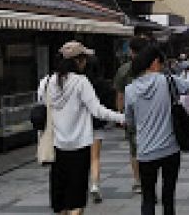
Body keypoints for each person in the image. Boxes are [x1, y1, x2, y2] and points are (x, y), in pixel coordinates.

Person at [38, 41, 125, 215]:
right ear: (79, 61)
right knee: (76, 198)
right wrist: (122, 117)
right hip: (79, 146)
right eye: (84, 58)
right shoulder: (81, 82)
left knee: (60, 199)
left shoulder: (46, 82)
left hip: (56, 147)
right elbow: (97, 110)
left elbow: (41, 107)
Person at [125, 46, 189, 215]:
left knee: (148, 198)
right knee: (168, 197)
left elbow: (129, 121)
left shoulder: (129, 90)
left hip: (145, 152)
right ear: (154, 63)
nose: (161, 66)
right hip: (170, 150)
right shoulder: (168, 81)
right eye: (160, 63)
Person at [113, 36, 149, 195]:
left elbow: (120, 95)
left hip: (132, 114)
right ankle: (148, 178)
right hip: (151, 113)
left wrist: (120, 114)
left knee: (134, 149)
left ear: (131, 51)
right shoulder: (153, 67)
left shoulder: (124, 69)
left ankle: (138, 181)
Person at [85, 56, 114, 204]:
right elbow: (109, 103)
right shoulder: (102, 84)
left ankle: (80, 184)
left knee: (81, 158)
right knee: (95, 157)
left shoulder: (81, 83)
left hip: (80, 126)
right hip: (97, 124)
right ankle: (95, 185)